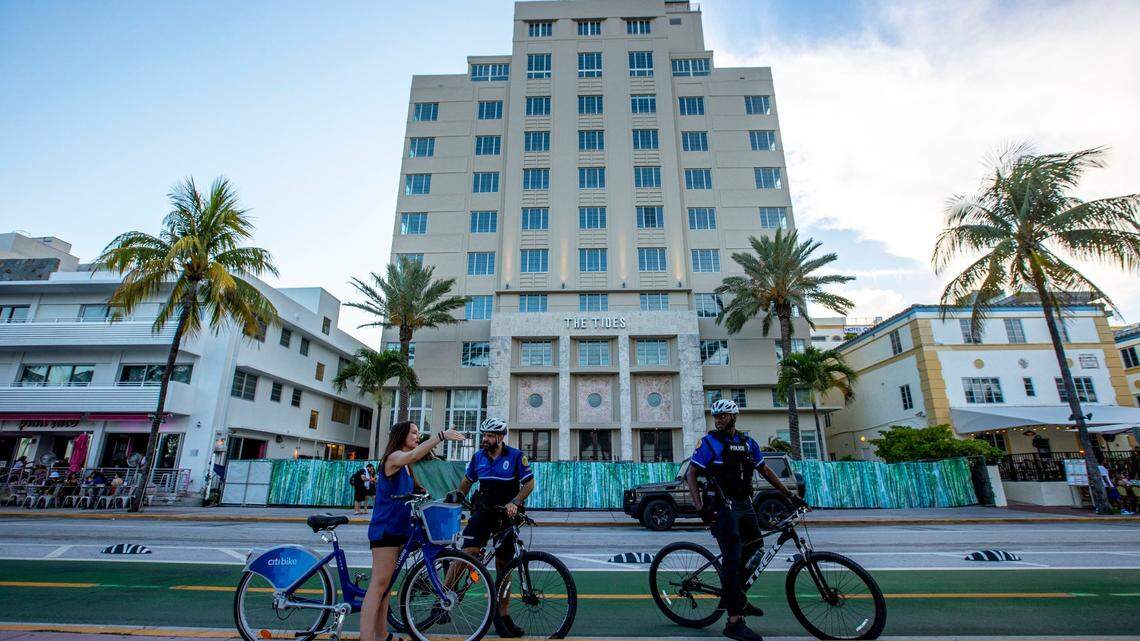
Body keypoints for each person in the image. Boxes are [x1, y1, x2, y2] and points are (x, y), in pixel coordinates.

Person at [687, 399, 808, 641]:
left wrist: (790, 496)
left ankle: (737, 596)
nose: (718, 419)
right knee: (732, 559)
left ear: (733, 417)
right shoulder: (709, 443)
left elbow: (765, 471)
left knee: (756, 548)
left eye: (722, 416)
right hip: (722, 507)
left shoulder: (748, 443)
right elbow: (691, 474)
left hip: (744, 504)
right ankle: (733, 622)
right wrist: (700, 507)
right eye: (716, 416)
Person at [359, 421, 465, 641]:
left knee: (387, 586)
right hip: (385, 529)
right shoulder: (394, 458)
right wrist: (441, 436)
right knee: (378, 584)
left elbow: (417, 486)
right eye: (414, 433)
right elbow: (414, 455)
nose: (417, 436)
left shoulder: (407, 468)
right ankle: (366, 637)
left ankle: (381, 634)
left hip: (399, 528)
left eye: (418, 433)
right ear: (401, 436)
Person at [445, 417, 535, 638]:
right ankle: (443, 596)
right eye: (483, 435)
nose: (484, 439)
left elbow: (529, 484)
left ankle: (502, 617)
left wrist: (515, 502)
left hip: (506, 516)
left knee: (505, 567)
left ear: (501, 437)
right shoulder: (478, 458)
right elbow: (467, 481)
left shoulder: (515, 456)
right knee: (468, 553)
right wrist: (458, 497)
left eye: (489, 436)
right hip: (482, 512)